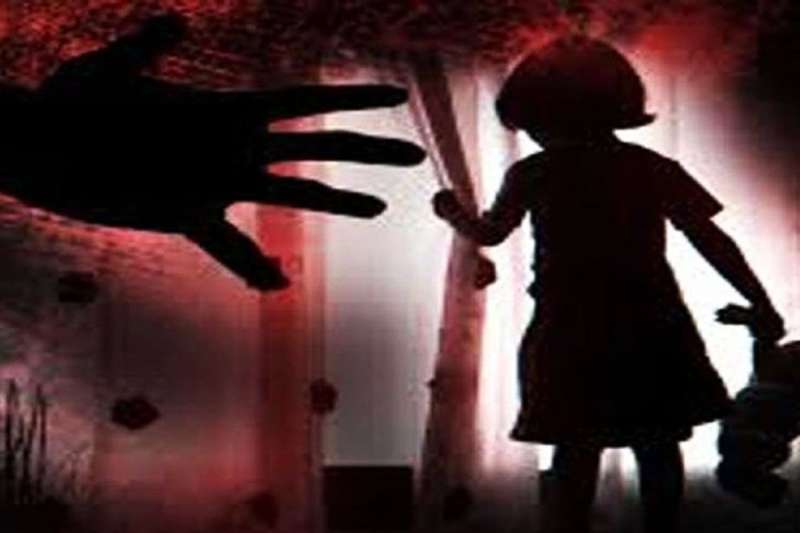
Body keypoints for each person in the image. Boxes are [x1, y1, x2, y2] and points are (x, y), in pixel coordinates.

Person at [431, 36, 784, 533]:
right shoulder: (649, 168)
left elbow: (490, 233)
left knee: (575, 443)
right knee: (657, 441)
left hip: (571, 327)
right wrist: (758, 299)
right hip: (650, 322)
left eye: (531, 122)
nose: (530, 133)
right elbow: (711, 239)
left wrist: (452, 213)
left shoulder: (535, 172)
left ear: (545, 114)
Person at [0, 13, 426, 291]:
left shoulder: (37, 170)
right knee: (314, 127)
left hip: (209, 153)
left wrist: (187, 217)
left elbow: (117, 205)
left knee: (317, 142)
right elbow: (151, 41)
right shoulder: (70, 95)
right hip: (215, 139)